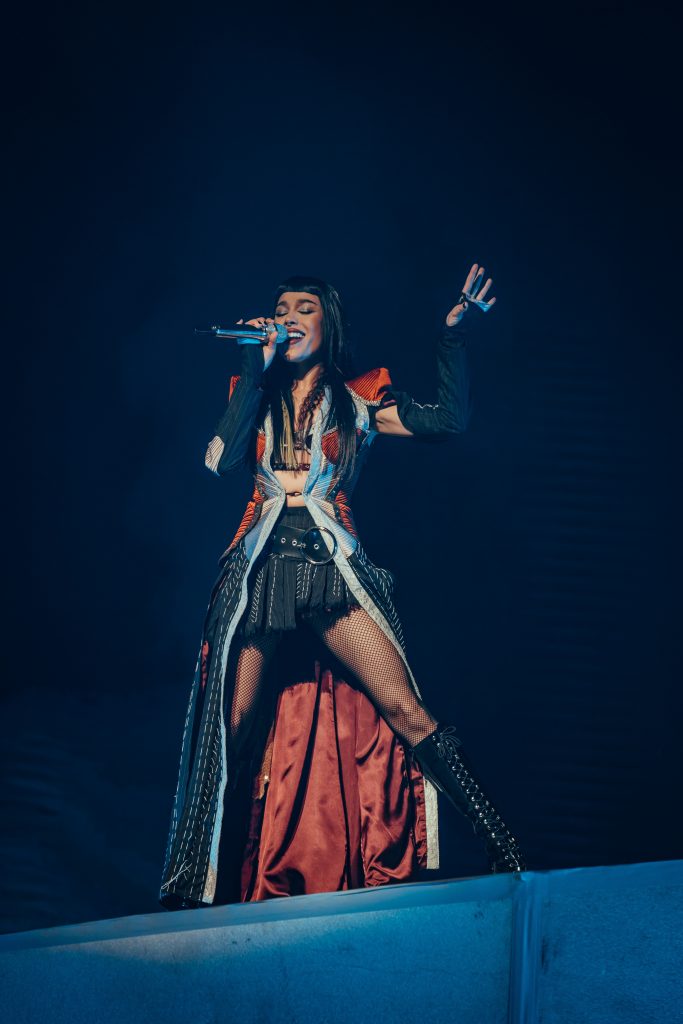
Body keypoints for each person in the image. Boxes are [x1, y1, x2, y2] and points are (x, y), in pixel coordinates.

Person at [159, 264, 526, 910]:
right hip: (260, 570)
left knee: (405, 707)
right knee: (231, 729)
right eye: (281, 309)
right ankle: (200, 885)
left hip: (329, 566)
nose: (288, 319)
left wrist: (453, 336)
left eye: (303, 309)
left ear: (327, 324)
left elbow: (447, 422)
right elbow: (220, 460)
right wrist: (252, 364)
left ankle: (504, 847)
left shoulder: (357, 398)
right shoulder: (252, 389)